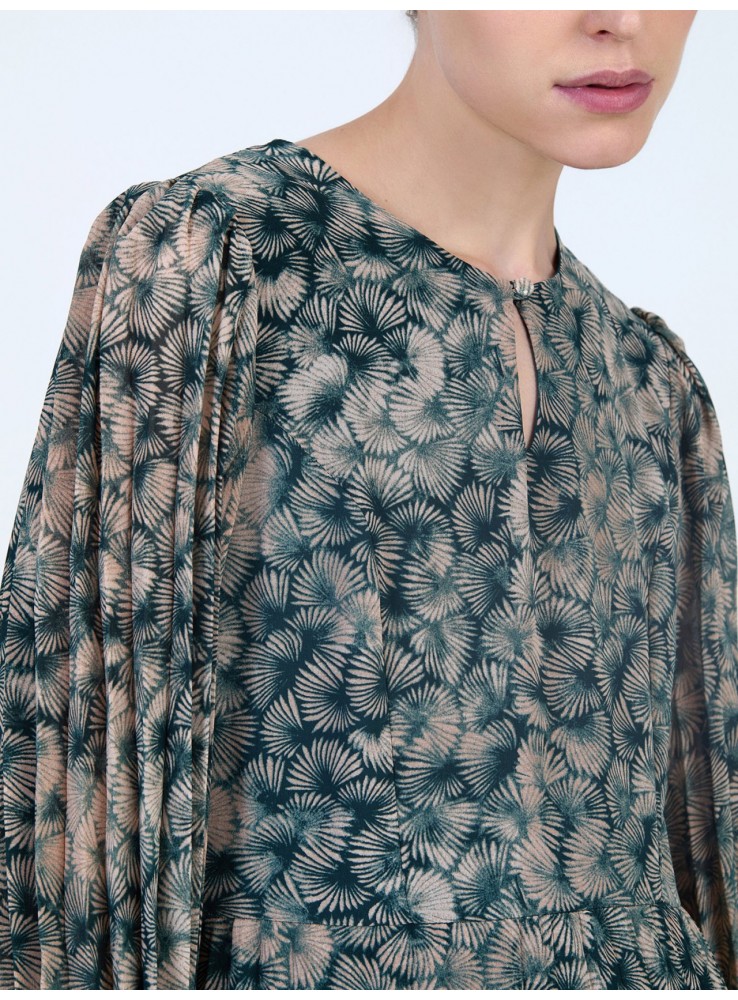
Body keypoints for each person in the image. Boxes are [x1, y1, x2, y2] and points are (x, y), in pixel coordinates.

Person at [0, 8, 735, 991]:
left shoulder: (650, 384)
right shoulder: (225, 263)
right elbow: (79, 788)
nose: (623, 19)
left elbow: (706, 849)